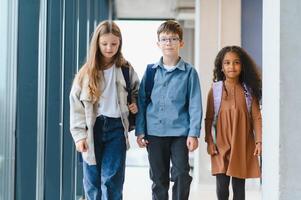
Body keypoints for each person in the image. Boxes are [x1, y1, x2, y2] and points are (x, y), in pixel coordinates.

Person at [69, 20, 139, 200]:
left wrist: (134, 103)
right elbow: (76, 106)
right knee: (92, 182)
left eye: (114, 44)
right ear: (97, 44)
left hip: (116, 129)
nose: (109, 48)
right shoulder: (86, 73)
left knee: (112, 180)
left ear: (120, 44)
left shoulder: (125, 69)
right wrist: (79, 137)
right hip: (92, 130)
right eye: (104, 44)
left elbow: (138, 93)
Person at [135, 20, 202, 200]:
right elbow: (141, 103)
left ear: (181, 43)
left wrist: (193, 133)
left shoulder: (189, 72)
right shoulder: (150, 72)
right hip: (154, 133)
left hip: (180, 133)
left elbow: (195, 104)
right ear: (158, 44)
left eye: (173, 39)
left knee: (181, 174)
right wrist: (140, 131)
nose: (169, 43)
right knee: (158, 178)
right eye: (164, 39)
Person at [205, 46, 262, 200]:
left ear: (242, 66)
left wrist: (259, 141)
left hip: (241, 144)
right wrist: (209, 142)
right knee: (222, 188)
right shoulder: (215, 90)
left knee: (239, 188)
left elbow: (257, 117)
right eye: (227, 63)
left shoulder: (249, 91)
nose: (232, 66)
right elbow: (209, 119)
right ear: (221, 67)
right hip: (220, 145)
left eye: (236, 62)